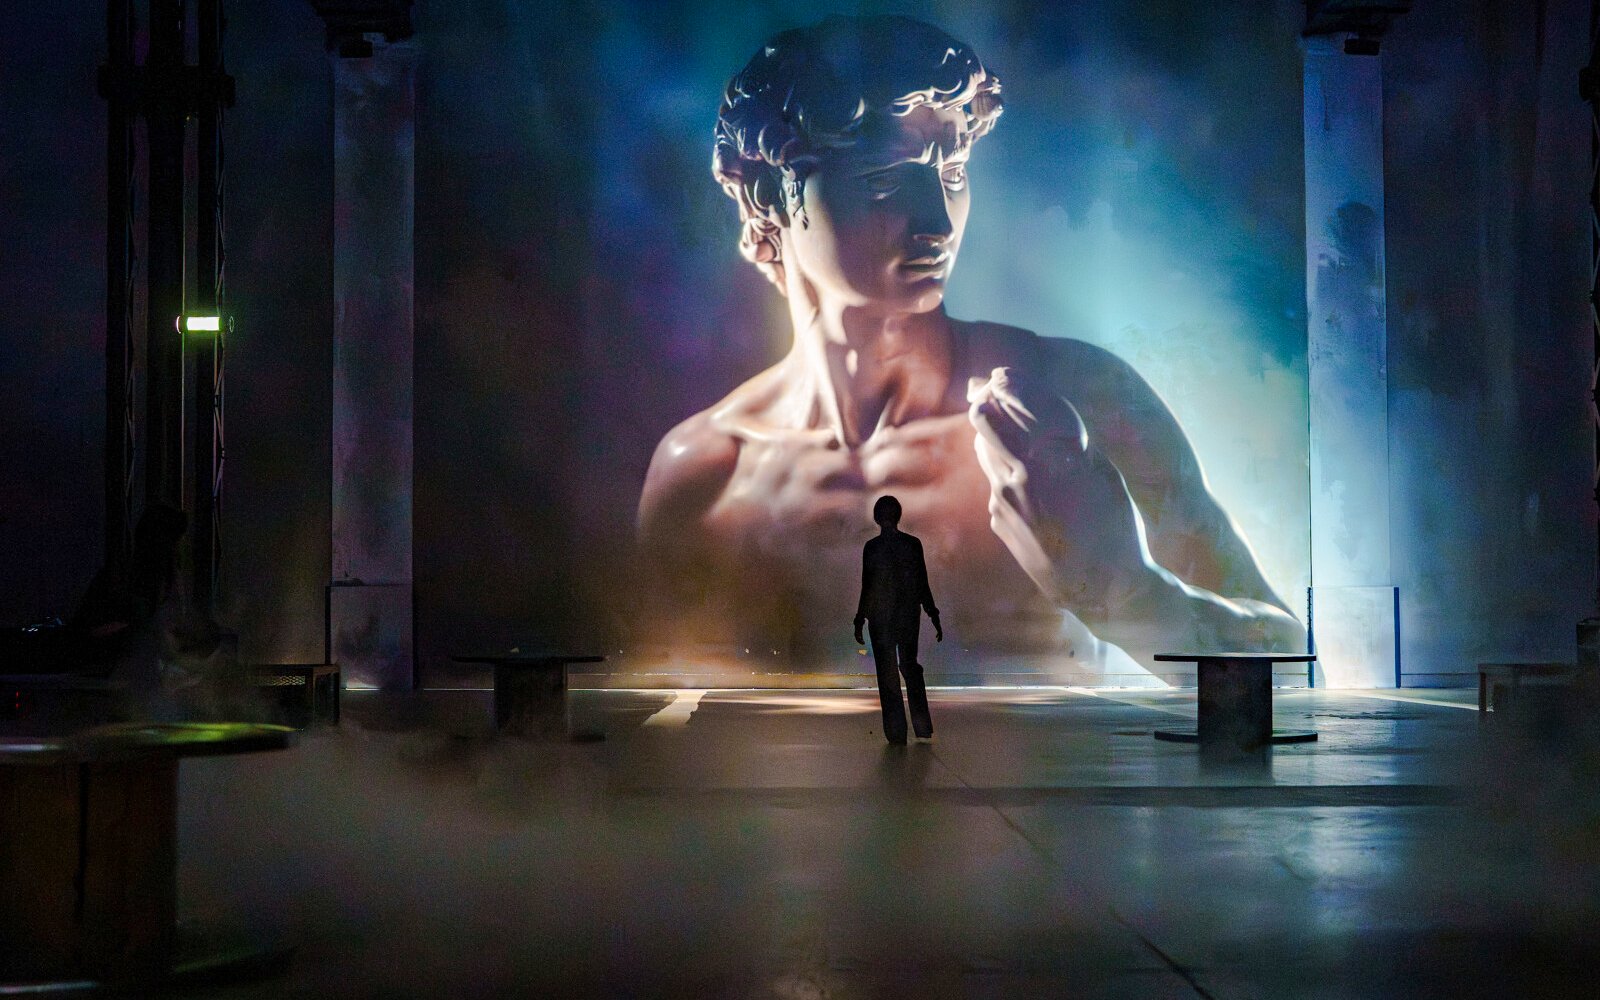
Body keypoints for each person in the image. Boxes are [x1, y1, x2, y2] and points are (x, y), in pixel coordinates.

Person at [637, 15, 1305, 679]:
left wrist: (1129, 593)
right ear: (770, 197)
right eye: (883, 178)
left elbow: (1296, 674)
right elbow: (663, 741)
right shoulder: (705, 476)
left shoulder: (1073, 401)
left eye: (952, 171)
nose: (936, 220)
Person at [854, 495, 940, 744]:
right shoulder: (912, 545)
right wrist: (932, 612)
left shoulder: (872, 547)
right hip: (907, 616)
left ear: (877, 518)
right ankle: (922, 726)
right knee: (910, 667)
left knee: (888, 673)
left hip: (880, 619)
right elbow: (922, 583)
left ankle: (896, 732)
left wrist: (860, 618)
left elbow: (866, 586)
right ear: (898, 515)